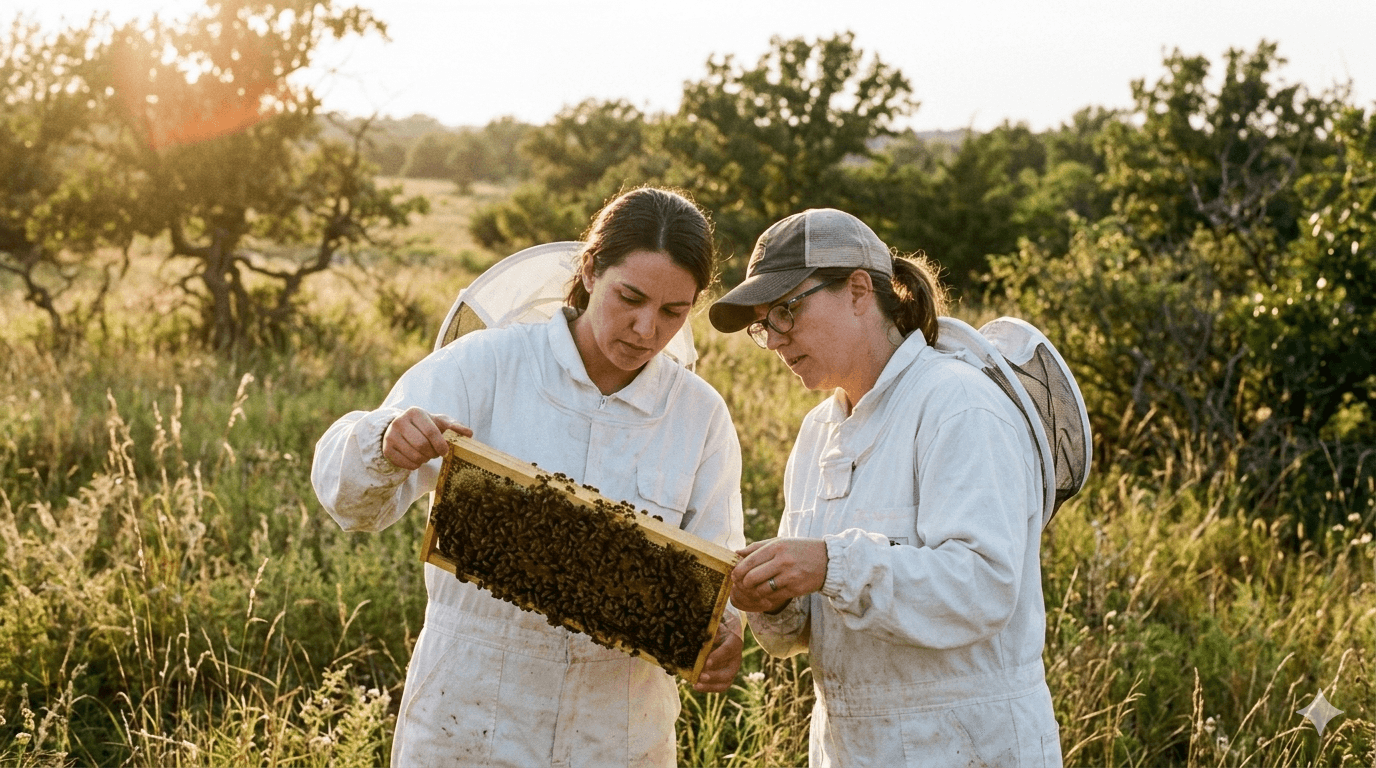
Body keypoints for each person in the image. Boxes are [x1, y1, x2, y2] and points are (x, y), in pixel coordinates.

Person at [312, 187, 746, 767]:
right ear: (591, 270)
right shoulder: (485, 364)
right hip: (467, 720)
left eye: (672, 312)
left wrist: (726, 635)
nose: (646, 328)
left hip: (616, 735)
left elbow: (718, 562)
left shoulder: (700, 414)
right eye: (631, 297)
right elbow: (350, 503)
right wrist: (386, 441)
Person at [710, 208, 1062, 767]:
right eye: (763, 325)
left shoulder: (958, 403)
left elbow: (985, 584)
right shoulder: (817, 433)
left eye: (785, 312)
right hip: (851, 749)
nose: (775, 339)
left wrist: (831, 564)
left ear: (856, 290)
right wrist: (773, 599)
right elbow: (807, 627)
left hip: (970, 746)